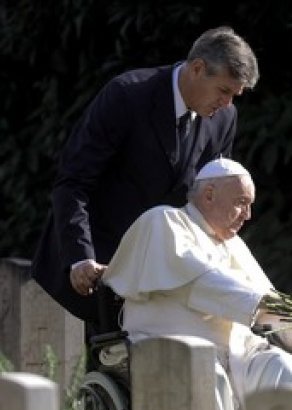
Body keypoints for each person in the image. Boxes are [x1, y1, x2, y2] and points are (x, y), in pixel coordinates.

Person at [102, 157, 292, 410]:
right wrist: (278, 307)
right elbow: (204, 283)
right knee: (206, 374)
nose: (248, 215)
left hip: (237, 356)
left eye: (251, 205)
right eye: (241, 203)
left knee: (284, 368)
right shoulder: (164, 222)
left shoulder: (235, 246)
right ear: (209, 194)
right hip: (168, 350)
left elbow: (264, 299)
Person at [31, 26, 259, 340]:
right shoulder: (127, 95)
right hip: (103, 264)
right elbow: (73, 181)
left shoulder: (224, 118)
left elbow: (211, 197)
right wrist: (80, 257)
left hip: (167, 274)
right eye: (223, 91)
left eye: (234, 95)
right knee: (112, 369)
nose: (227, 102)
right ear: (197, 69)